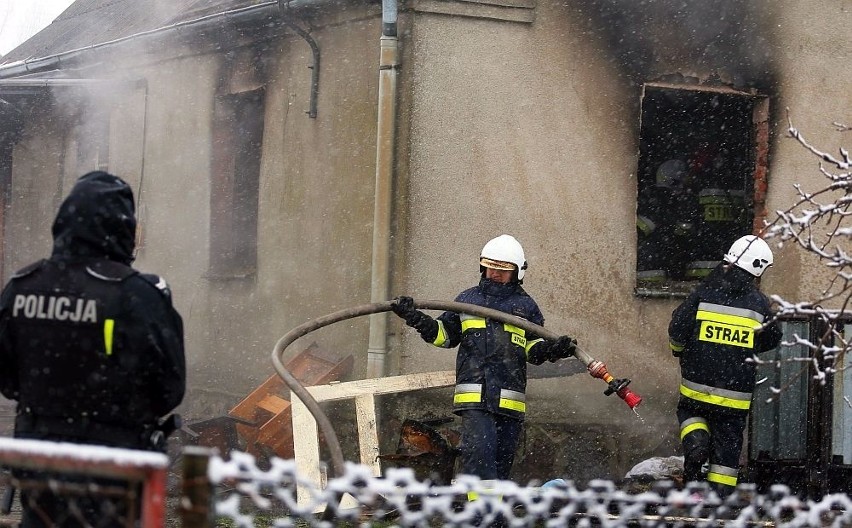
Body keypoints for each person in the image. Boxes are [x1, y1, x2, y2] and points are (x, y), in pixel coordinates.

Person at [0, 171, 186, 527]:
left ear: (65, 219)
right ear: (123, 229)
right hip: (113, 464)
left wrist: (52, 403)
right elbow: (168, 390)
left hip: (40, 454)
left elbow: (7, 378)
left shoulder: (21, 287)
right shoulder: (137, 294)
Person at [391, 234, 577, 484]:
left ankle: (495, 519)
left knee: (500, 470)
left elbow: (533, 350)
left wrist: (555, 349)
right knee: (480, 462)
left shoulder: (526, 307)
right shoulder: (468, 300)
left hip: (509, 405)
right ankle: (480, 517)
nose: (495, 274)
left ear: (518, 272)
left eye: (503, 269)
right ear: (482, 266)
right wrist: (414, 317)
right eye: (491, 267)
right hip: (475, 401)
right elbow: (443, 336)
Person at [668, 235, 782, 497]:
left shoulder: (703, 292)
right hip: (735, 395)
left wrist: (679, 351)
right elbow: (773, 338)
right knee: (728, 447)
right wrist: (746, 348)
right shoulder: (759, 304)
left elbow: (677, 329)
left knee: (690, 414)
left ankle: (696, 444)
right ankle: (719, 499)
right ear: (757, 267)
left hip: (696, 384)